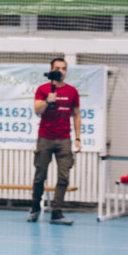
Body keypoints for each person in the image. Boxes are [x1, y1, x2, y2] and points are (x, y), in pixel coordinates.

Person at [27, 58, 81, 226]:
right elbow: (37, 110)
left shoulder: (72, 91)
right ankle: (35, 207)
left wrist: (78, 138)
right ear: (51, 70)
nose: (61, 71)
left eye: (64, 68)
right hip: (45, 138)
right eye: (57, 68)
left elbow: (76, 114)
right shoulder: (43, 89)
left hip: (64, 139)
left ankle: (57, 212)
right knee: (40, 175)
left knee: (64, 176)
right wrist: (47, 101)